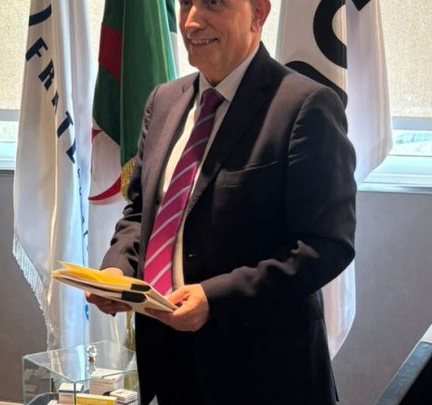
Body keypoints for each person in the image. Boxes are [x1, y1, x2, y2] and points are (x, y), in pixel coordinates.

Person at [87, 0, 356, 404]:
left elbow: (326, 245)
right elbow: (141, 212)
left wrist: (215, 299)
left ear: (258, 14)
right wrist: (117, 269)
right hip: (170, 364)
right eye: (186, 4)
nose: (192, 20)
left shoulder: (306, 106)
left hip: (264, 375)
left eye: (213, 3)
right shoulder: (163, 101)